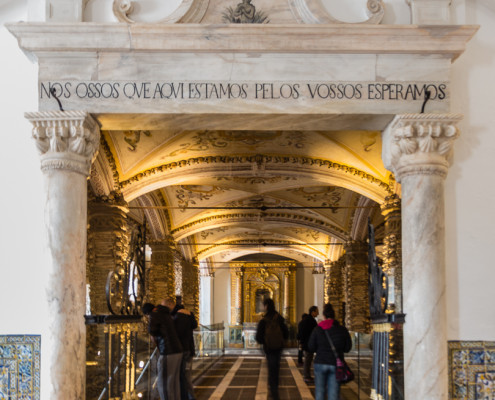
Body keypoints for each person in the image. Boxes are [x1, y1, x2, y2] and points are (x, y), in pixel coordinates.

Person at [307, 303, 352, 400]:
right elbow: (347, 348)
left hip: (320, 362)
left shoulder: (317, 329)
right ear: (334, 316)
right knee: (333, 395)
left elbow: (311, 347)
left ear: (324, 316)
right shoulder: (342, 329)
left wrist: (320, 349)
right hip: (335, 364)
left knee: (320, 393)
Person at [142, 300, 183, 400]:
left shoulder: (155, 314)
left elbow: (152, 330)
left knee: (163, 381)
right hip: (178, 350)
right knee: (174, 381)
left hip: (168, 351)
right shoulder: (166, 313)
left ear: (147, 313)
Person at [255, 298, 289, 400]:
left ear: (266, 306)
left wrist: (265, 341)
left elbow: (258, 338)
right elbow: (286, 333)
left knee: (271, 369)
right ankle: (275, 391)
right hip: (278, 348)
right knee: (276, 369)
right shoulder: (279, 318)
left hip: (269, 349)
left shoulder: (264, 320)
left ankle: (273, 391)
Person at [168, 299, 198, 400]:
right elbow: (194, 325)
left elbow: (179, 335)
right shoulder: (188, 315)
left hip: (183, 350)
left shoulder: (178, 318)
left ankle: (189, 397)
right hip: (188, 349)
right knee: (185, 375)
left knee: (184, 376)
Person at [298, 305, 319, 382]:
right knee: (308, 360)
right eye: (317, 312)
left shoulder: (306, 320)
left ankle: (307, 375)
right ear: (312, 312)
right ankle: (306, 376)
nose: (318, 313)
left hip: (307, 343)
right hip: (309, 343)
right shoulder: (311, 321)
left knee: (308, 360)